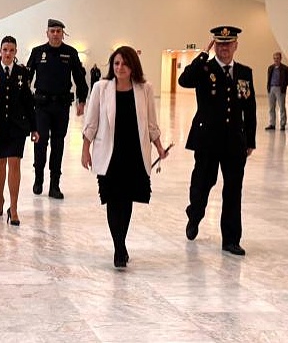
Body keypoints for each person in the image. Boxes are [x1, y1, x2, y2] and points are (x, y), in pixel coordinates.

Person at [81, 46, 167, 268]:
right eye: (116, 63)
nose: (120, 67)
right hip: (109, 153)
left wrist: (159, 146)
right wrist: (85, 149)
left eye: (125, 64)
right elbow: (91, 121)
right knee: (113, 199)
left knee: (126, 200)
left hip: (134, 153)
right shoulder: (101, 88)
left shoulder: (144, 88)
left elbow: (151, 122)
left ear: (133, 66)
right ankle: (119, 248)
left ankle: (121, 245)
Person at [180, 26, 256, 256]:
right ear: (214, 45)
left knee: (233, 190)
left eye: (228, 44)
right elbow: (185, 80)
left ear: (235, 45)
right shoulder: (205, 68)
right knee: (203, 183)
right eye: (219, 44)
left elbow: (249, 108)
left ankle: (231, 240)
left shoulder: (244, 72)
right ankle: (195, 214)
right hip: (207, 140)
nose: (224, 48)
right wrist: (202, 54)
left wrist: (250, 140)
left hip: (234, 141)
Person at [0, 36, 39, 226]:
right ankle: (0, 198)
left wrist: (34, 127)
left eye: (11, 50)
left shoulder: (23, 73)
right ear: (0, 50)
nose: (8, 53)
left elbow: (28, 102)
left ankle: (13, 207)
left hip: (17, 126)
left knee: (14, 164)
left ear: (15, 52)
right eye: (5, 50)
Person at [26, 18, 89, 199]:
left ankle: (55, 185)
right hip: (42, 106)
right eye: (52, 31)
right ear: (47, 33)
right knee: (40, 142)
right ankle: (38, 180)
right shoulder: (38, 52)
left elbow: (79, 77)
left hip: (61, 106)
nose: (55, 34)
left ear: (63, 34)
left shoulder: (70, 53)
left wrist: (81, 100)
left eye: (58, 31)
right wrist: (24, 102)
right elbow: (27, 78)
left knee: (58, 144)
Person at [265, 52, 288, 131]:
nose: (276, 60)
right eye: (275, 58)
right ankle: (272, 124)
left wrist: (283, 86)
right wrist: (268, 87)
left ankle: (283, 124)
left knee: (282, 107)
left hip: (280, 89)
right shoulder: (270, 68)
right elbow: (269, 78)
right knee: (271, 108)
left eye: (277, 58)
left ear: (280, 59)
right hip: (272, 88)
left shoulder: (285, 68)